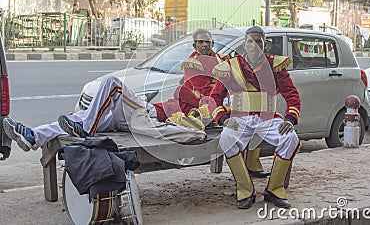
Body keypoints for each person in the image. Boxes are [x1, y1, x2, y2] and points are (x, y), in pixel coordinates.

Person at [2, 28, 268, 178]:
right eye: (201, 43)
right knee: (78, 116)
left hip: (146, 117)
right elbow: (198, 79)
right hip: (142, 113)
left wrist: (223, 100)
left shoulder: (215, 102)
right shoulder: (199, 68)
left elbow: (211, 104)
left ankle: (85, 130)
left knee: (111, 84)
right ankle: (33, 136)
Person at [206, 26, 301, 209]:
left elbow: (292, 95)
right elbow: (214, 98)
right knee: (226, 139)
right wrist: (224, 118)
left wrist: (290, 120)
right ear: (244, 45)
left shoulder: (275, 64)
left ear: (265, 44)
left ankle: (275, 189)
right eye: (250, 41)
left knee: (291, 138)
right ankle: (245, 190)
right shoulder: (232, 65)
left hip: (268, 118)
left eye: (258, 41)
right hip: (239, 118)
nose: (254, 45)